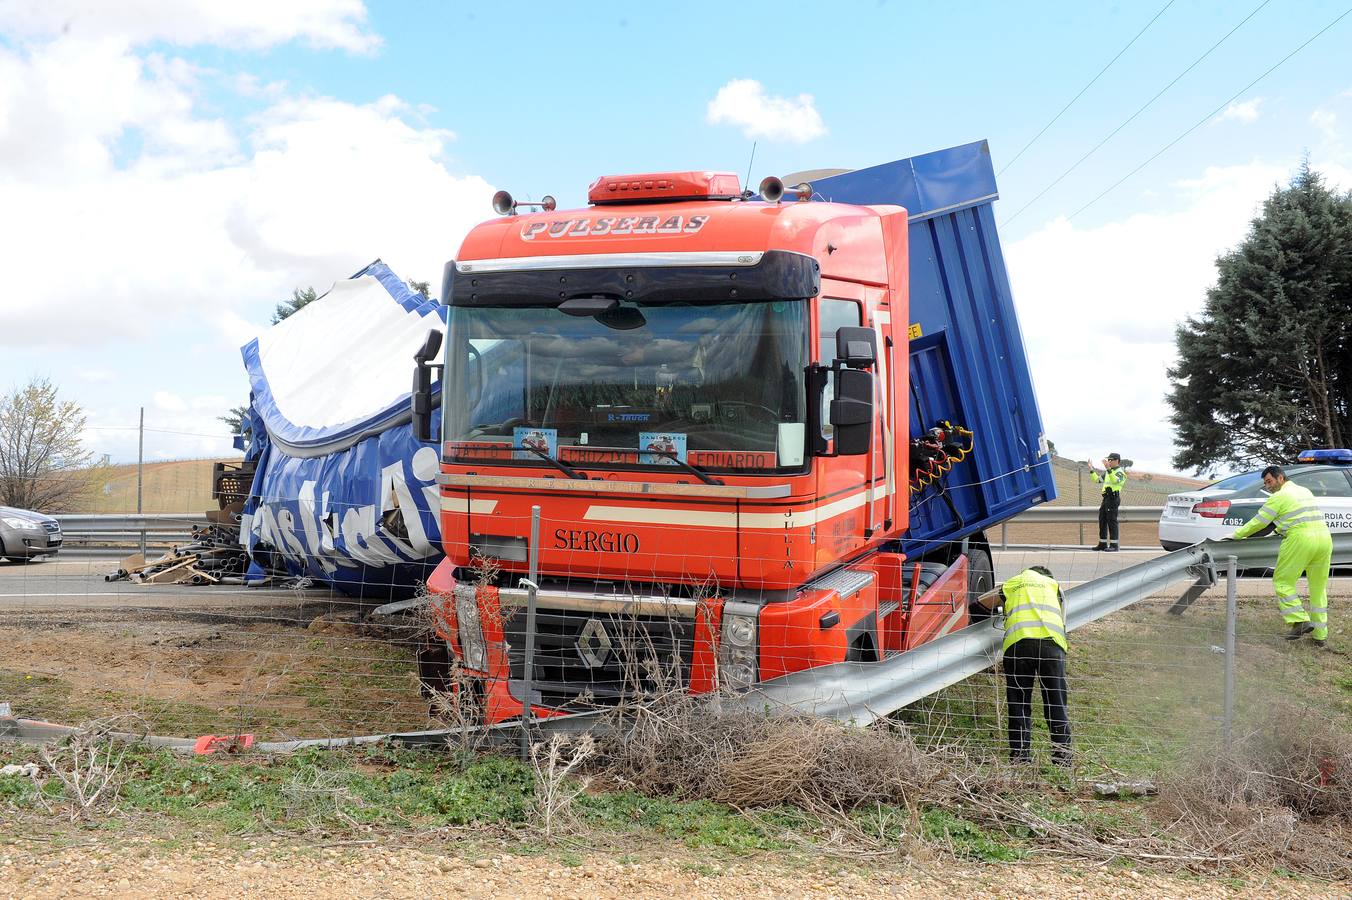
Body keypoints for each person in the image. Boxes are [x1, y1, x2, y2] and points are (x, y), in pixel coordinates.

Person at [978, 565, 1072, 766]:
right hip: (1052, 645)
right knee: (1056, 703)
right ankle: (1062, 759)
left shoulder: (1015, 582)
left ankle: (1020, 758)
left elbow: (980, 604)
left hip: (1018, 644)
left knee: (1019, 703)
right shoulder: (1053, 585)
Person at [1229, 465, 1332, 647]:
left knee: (1282, 581)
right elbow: (1295, 516)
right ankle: (1320, 635)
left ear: (1280, 478)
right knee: (1318, 587)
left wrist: (1235, 535)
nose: (1268, 486)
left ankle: (1299, 620)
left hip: (1300, 539)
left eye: (1269, 481)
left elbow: (1258, 523)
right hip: (1324, 539)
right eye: (1265, 483)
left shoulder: (1279, 496)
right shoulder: (1304, 491)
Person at [1087, 453, 1126, 551]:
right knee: (1102, 520)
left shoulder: (1120, 473)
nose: (1108, 462)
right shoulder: (1108, 472)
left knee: (1112, 521)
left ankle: (1114, 545)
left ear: (1117, 461)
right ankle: (1102, 544)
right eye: (1108, 460)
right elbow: (1097, 480)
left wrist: (1108, 469)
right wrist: (1091, 469)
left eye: (1110, 460)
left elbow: (1116, 481)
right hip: (1106, 499)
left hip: (1113, 499)